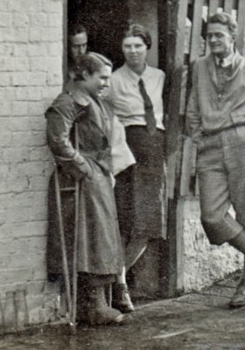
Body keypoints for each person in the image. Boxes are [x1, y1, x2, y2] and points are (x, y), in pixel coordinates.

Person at [185, 11, 245, 308]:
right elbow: (192, 107)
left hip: (244, 142)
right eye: (209, 36)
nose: (213, 40)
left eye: (219, 35)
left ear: (232, 37)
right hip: (211, 146)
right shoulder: (199, 68)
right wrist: (197, 135)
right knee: (211, 215)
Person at [45, 52, 132, 326]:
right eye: (102, 77)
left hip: (98, 174)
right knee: (90, 238)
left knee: (102, 236)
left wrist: (104, 169)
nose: (107, 82)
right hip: (82, 179)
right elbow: (58, 140)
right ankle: (93, 305)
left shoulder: (96, 101)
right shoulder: (68, 101)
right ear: (84, 75)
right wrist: (83, 168)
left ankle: (102, 300)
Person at [107, 24, 167, 313]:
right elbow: (105, 118)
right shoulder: (114, 80)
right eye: (128, 46)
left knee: (147, 222)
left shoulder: (160, 77)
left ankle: (116, 279)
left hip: (154, 147)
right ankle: (119, 285)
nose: (133, 51)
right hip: (127, 149)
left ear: (147, 47)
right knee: (124, 220)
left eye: (138, 46)